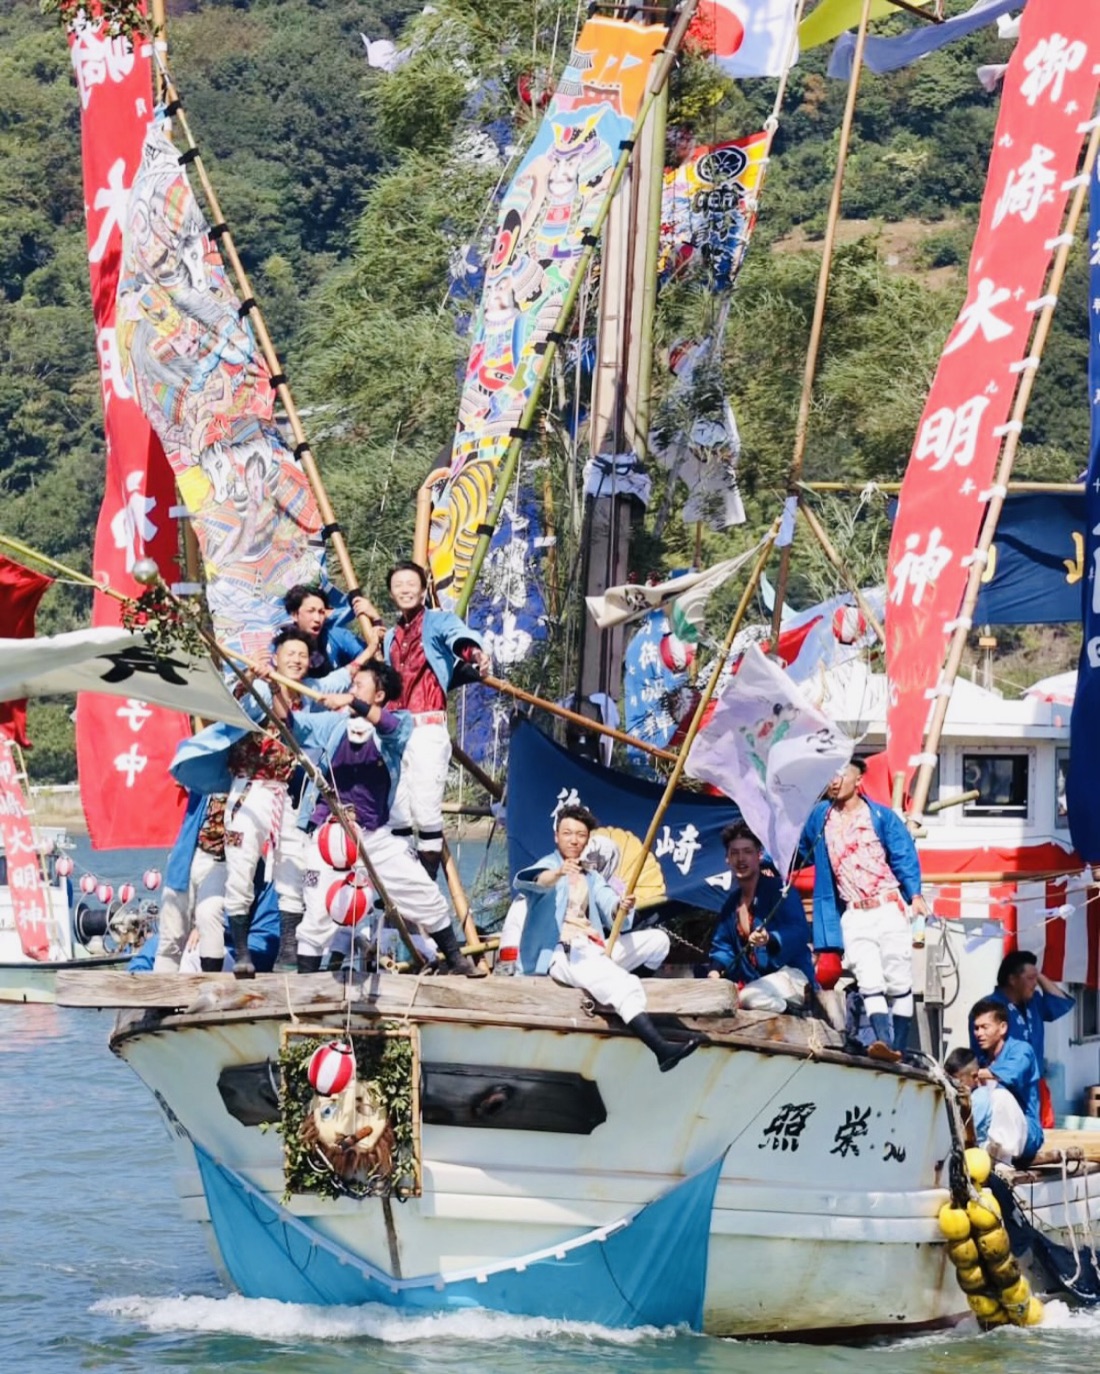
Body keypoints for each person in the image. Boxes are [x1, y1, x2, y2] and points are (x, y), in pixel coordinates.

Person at [293, 659, 485, 978]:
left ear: (379, 695)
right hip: (330, 835)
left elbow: (390, 729)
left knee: (424, 893)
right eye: (351, 687)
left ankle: (455, 960)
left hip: (374, 836)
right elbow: (295, 726)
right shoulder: (334, 724)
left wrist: (351, 700)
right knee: (316, 915)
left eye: (359, 685)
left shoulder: (400, 723)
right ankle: (304, 986)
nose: (351, 689)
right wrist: (274, 693)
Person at [512, 805, 702, 1071]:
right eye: (567, 833)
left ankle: (626, 996)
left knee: (658, 941)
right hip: (559, 951)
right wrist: (557, 874)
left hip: (593, 947)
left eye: (580, 834)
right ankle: (661, 1049)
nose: (574, 839)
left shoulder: (590, 875)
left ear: (587, 839)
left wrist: (621, 905)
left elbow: (608, 902)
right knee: (619, 982)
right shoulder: (549, 865)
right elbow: (536, 881)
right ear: (556, 836)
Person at [801, 758, 929, 1060]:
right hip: (854, 911)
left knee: (897, 977)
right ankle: (885, 1043)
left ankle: (897, 1044)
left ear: (858, 780)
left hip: (886, 903)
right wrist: (770, 863)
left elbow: (902, 855)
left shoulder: (880, 816)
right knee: (868, 977)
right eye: (829, 775)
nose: (834, 781)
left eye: (841, 774)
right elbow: (799, 848)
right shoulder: (821, 817)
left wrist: (915, 894)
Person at [382, 560, 491, 879]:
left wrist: (476, 655)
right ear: (391, 592)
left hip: (427, 727)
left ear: (424, 585)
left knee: (427, 812)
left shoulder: (437, 621)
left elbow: (459, 637)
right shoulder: (390, 636)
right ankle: (401, 897)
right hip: (395, 731)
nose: (404, 589)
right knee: (397, 812)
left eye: (410, 583)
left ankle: (424, 890)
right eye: (398, 584)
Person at [706, 822, 815, 1008]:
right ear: (727, 859)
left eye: (747, 852)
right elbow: (723, 947)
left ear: (759, 855)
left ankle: (792, 1011)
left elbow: (799, 931)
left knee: (749, 997)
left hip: (792, 976)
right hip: (758, 984)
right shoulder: (731, 904)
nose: (741, 859)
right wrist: (715, 972)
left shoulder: (780, 890)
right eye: (735, 853)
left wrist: (770, 939)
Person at [971, 949, 1074, 1129]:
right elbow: (979, 1054)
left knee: (1041, 1137)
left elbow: (1062, 1003)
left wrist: (1036, 974)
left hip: (1034, 1086)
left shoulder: (1034, 1002)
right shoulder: (989, 1009)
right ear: (1012, 979)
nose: (1035, 984)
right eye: (1030, 978)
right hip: (1004, 1085)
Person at [153, 790, 228, 973]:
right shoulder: (198, 773)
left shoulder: (248, 775)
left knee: (208, 915)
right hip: (185, 853)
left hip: (223, 858)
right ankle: (160, 996)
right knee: (169, 938)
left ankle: (211, 990)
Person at [969, 998, 1044, 1166]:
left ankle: (1002, 1161)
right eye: (976, 1028)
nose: (979, 1033)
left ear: (1002, 1027)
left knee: (999, 1096)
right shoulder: (980, 1059)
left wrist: (974, 1074)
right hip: (986, 1138)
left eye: (984, 1027)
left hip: (1025, 1136)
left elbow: (1012, 1074)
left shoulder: (1022, 1050)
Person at [944, 1046, 1030, 1166]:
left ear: (974, 1076)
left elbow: (961, 1135)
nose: (950, 1087)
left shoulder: (979, 1098)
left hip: (987, 1157)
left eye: (956, 1082)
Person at [283, 584, 380, 676]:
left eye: (321, 612)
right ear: (295, 615)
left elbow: (371, 656)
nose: (317, 619)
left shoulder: (336, 635)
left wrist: (376, 621)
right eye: (310, 611)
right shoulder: (282, 647)